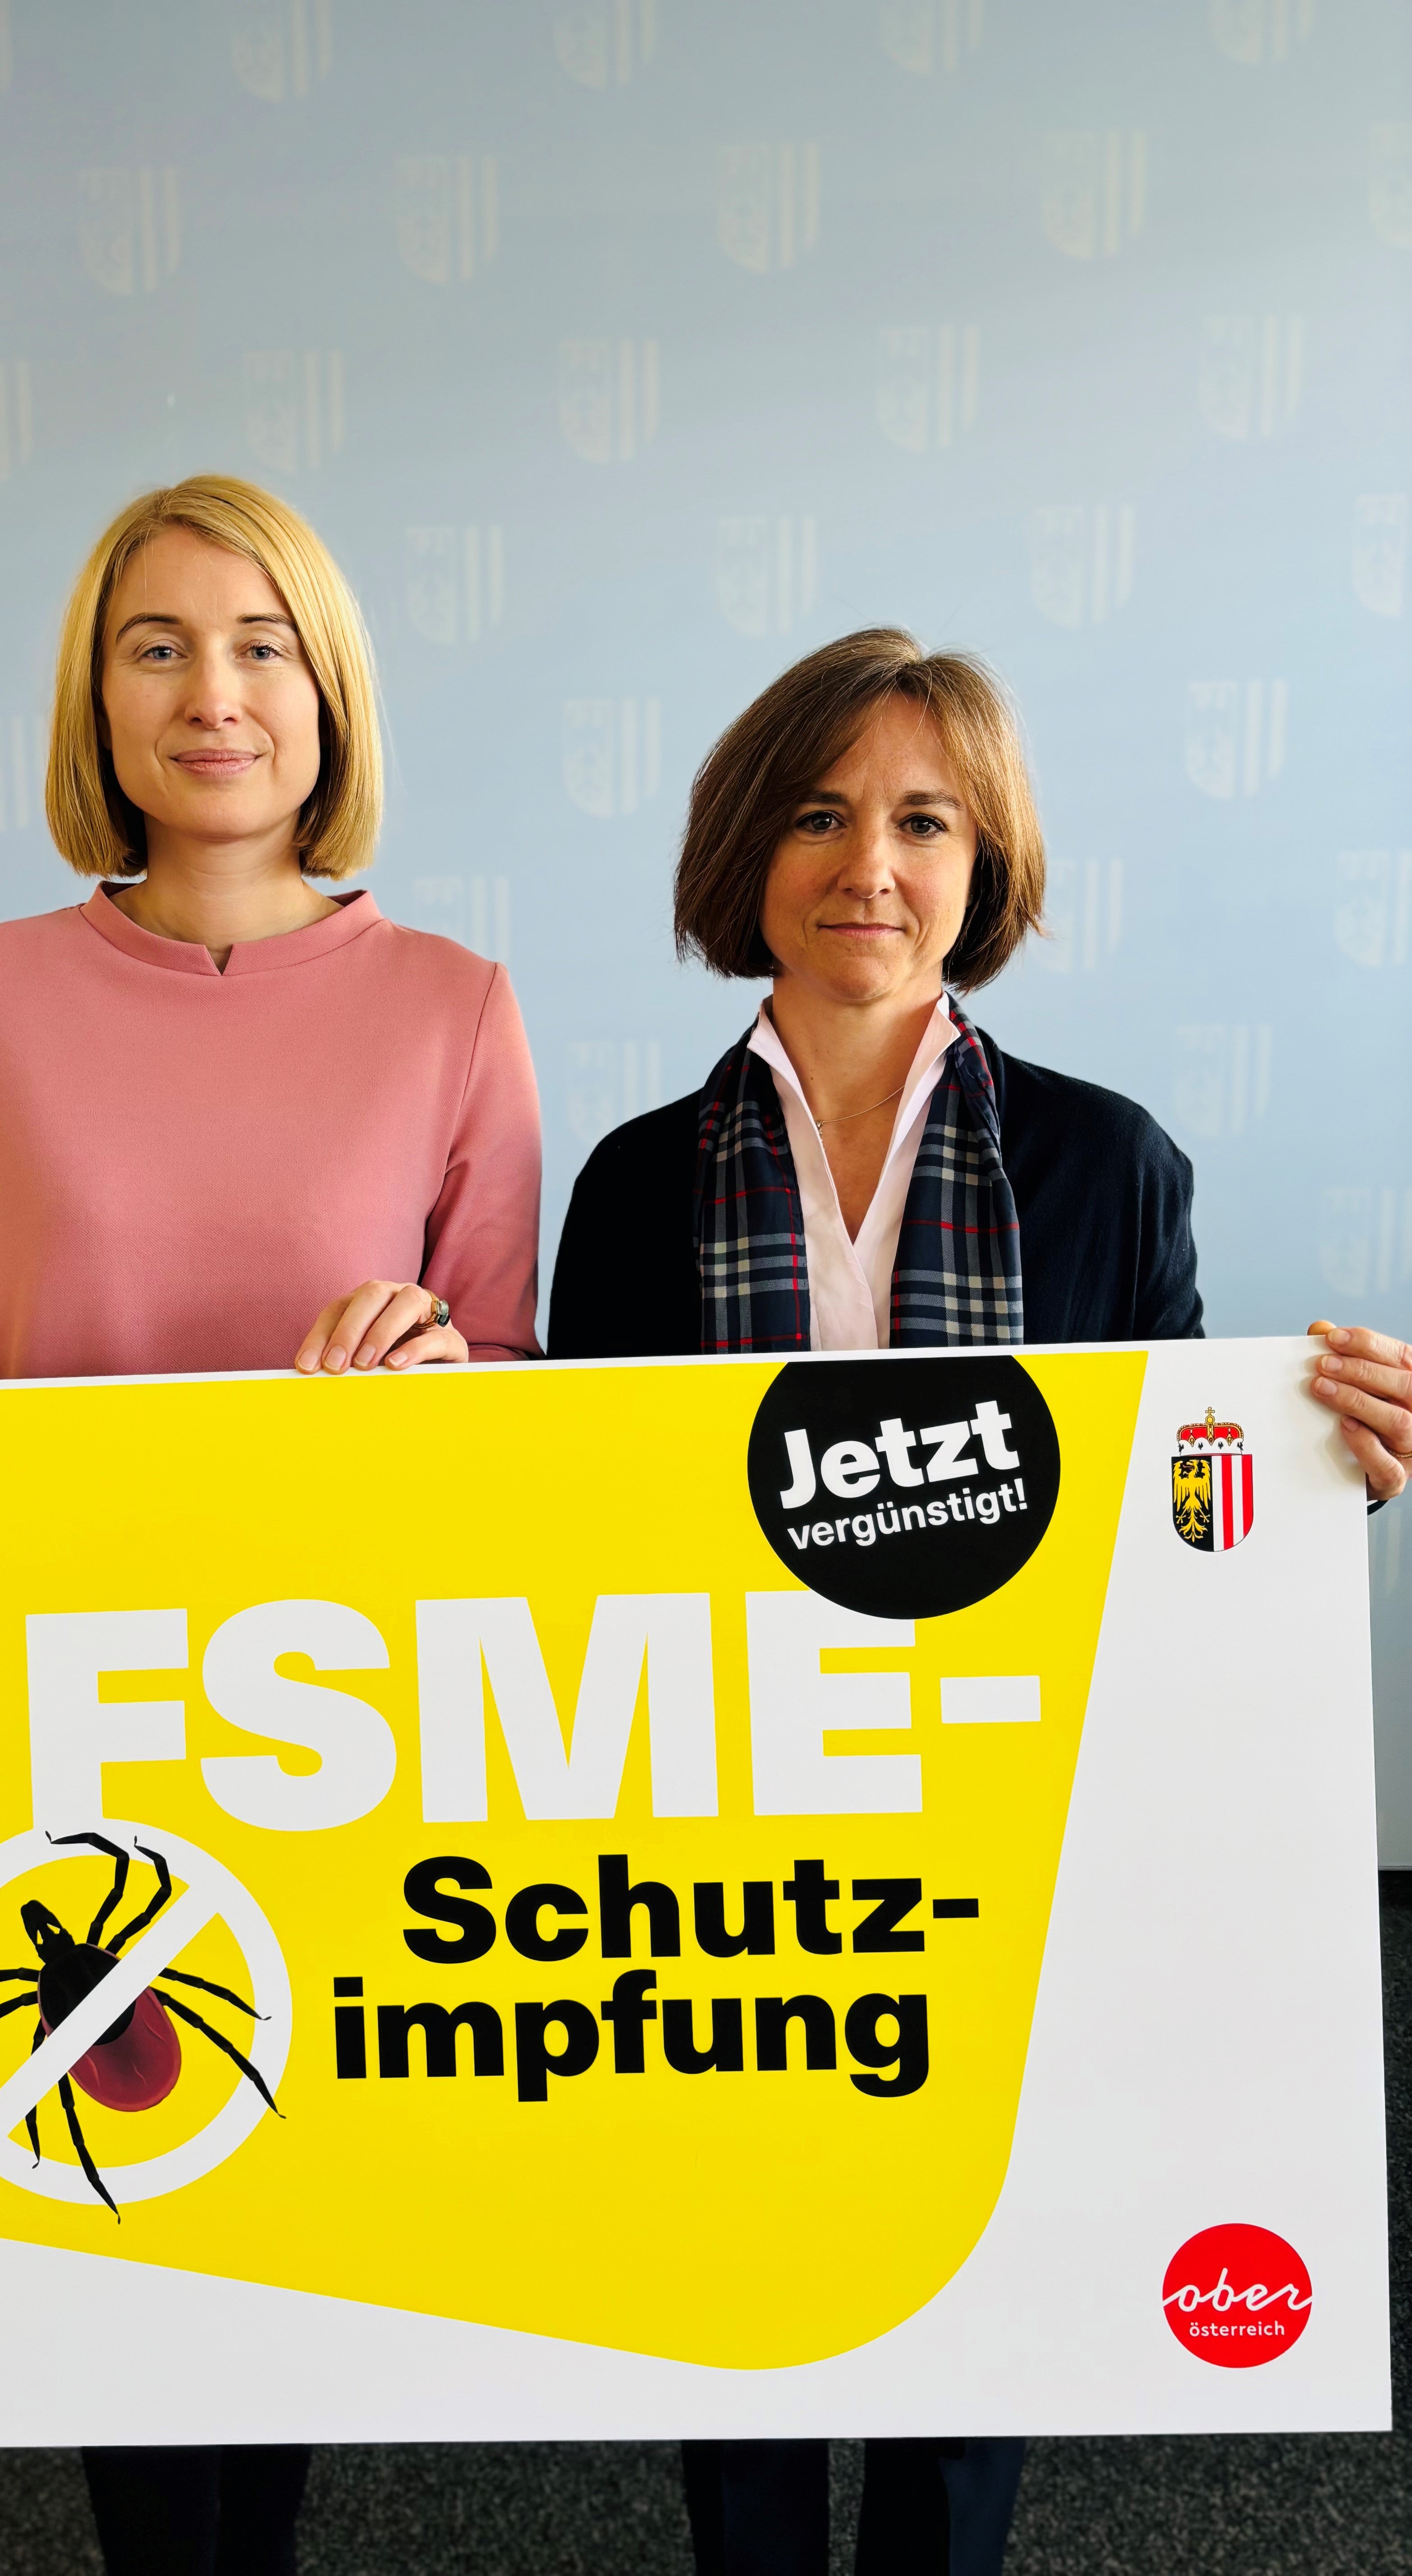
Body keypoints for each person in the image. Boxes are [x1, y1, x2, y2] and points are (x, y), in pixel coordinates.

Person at [0, 474, 543, 2576]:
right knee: (115, 2197)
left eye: (262, 646)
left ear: (328, 692)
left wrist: (438, 1377)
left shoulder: (457, 1005)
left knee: (298, 2191)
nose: (213, 695)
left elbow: (517, 1393)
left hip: (339, 1699)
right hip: (58, 1691)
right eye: (155, 646)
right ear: (98, 696)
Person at [549, 626, 1410, 2576]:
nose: (871, 863)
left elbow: (1172, 1516)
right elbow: (582, 1545)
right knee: (743, 2308)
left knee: (979, 2303)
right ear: (744, 854)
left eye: (925, 820)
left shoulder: (1106, 1162)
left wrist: (1325, 1475)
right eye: (819, 813)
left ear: (987, 861)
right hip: (727, 1842)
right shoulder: (631, 1187)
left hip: (1008, 1823)